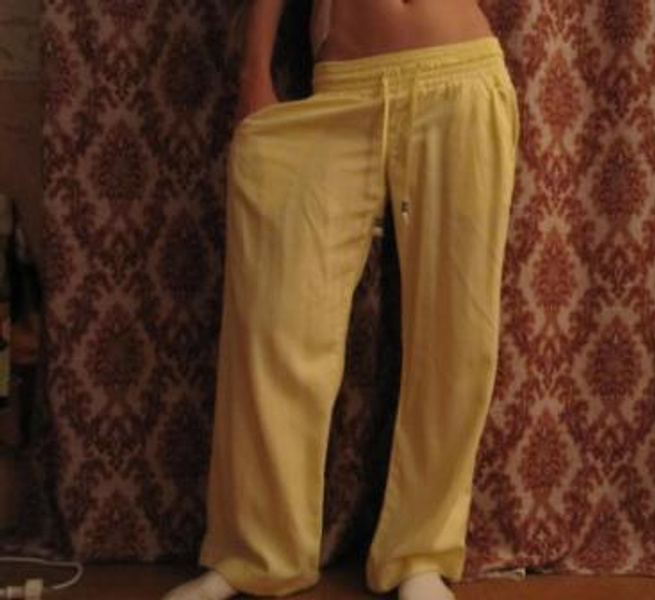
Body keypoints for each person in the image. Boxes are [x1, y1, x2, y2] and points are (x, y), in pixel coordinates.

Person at [162, 0, 519, 599]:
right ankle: (257, 552)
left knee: (456, 336)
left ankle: (419, 554)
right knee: (276, 323)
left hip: (460, 78)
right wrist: (255, 74)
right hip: (340, 91)